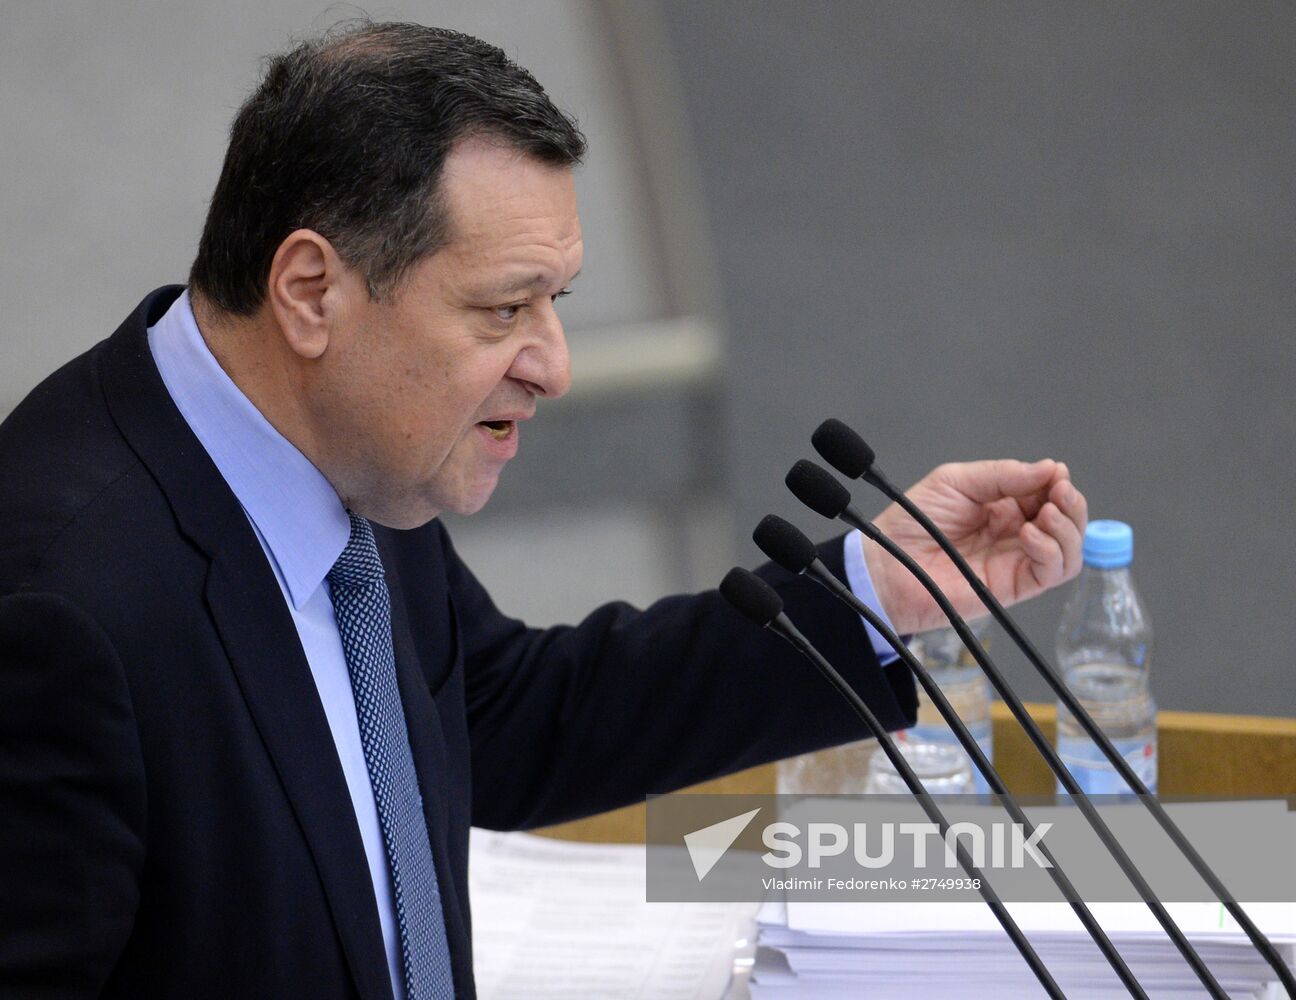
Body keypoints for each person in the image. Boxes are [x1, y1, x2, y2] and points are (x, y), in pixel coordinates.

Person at [0, 21, 1087, 1000]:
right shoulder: (61, 607)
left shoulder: (348, 456)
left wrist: (869, 594)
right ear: (311, 293)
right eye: (503, 308)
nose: (555, 367)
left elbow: (504, 717)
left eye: (554, 303)